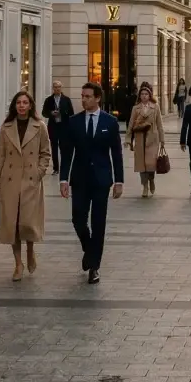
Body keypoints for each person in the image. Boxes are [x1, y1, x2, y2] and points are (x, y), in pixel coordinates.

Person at [59, 83, 124, 285]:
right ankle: (89, 250)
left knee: (98, 222)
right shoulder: (74, 122)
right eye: (82, 96)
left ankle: (94, 266)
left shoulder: (110, 122)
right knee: (78, 219)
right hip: (79, 179)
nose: (84, 99)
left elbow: (116, 153)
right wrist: (63, 179)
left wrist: (119, 181)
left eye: (87, 96)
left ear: (97, 98)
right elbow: (67, 153)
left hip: (101, 180)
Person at [0, 91, 51, 281]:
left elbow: (45, 153)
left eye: (25, 102)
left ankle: (30, 251)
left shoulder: (40, 126)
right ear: (14, 106)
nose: (22, 106)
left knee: (28, 222)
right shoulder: (6, 127)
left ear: (30, 105)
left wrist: (39, 172)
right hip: (9, 181)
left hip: (30, 181)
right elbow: (0, 156)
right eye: (18, 102)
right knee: (13, 224)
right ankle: (18, 264)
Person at [126, 82, 165, 198]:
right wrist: (128, 139)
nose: (144, 96)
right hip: (139, 139)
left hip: (152, 139)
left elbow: (160, 124)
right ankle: (145, 186)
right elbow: (131, 124)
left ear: (150, 95)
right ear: (139, 96)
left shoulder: (155, 107)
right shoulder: (135, 108)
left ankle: (151, 180)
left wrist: (162, 140)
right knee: (141, 165)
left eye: (146, 94)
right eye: (142, 94)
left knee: (151, 163)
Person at [41, 81, 75, 175]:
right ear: (53, 88)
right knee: (54, 148)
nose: (57, 89)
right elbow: (44, 113)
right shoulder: (49, 100)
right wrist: (51, 113)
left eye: (59, 87)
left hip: (64, 127)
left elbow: (71, 113)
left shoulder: (66, 99)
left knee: (64, 148)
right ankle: (56, 168)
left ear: (61, 88)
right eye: (55, 87)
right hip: (53, 127)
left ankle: (64, 167)